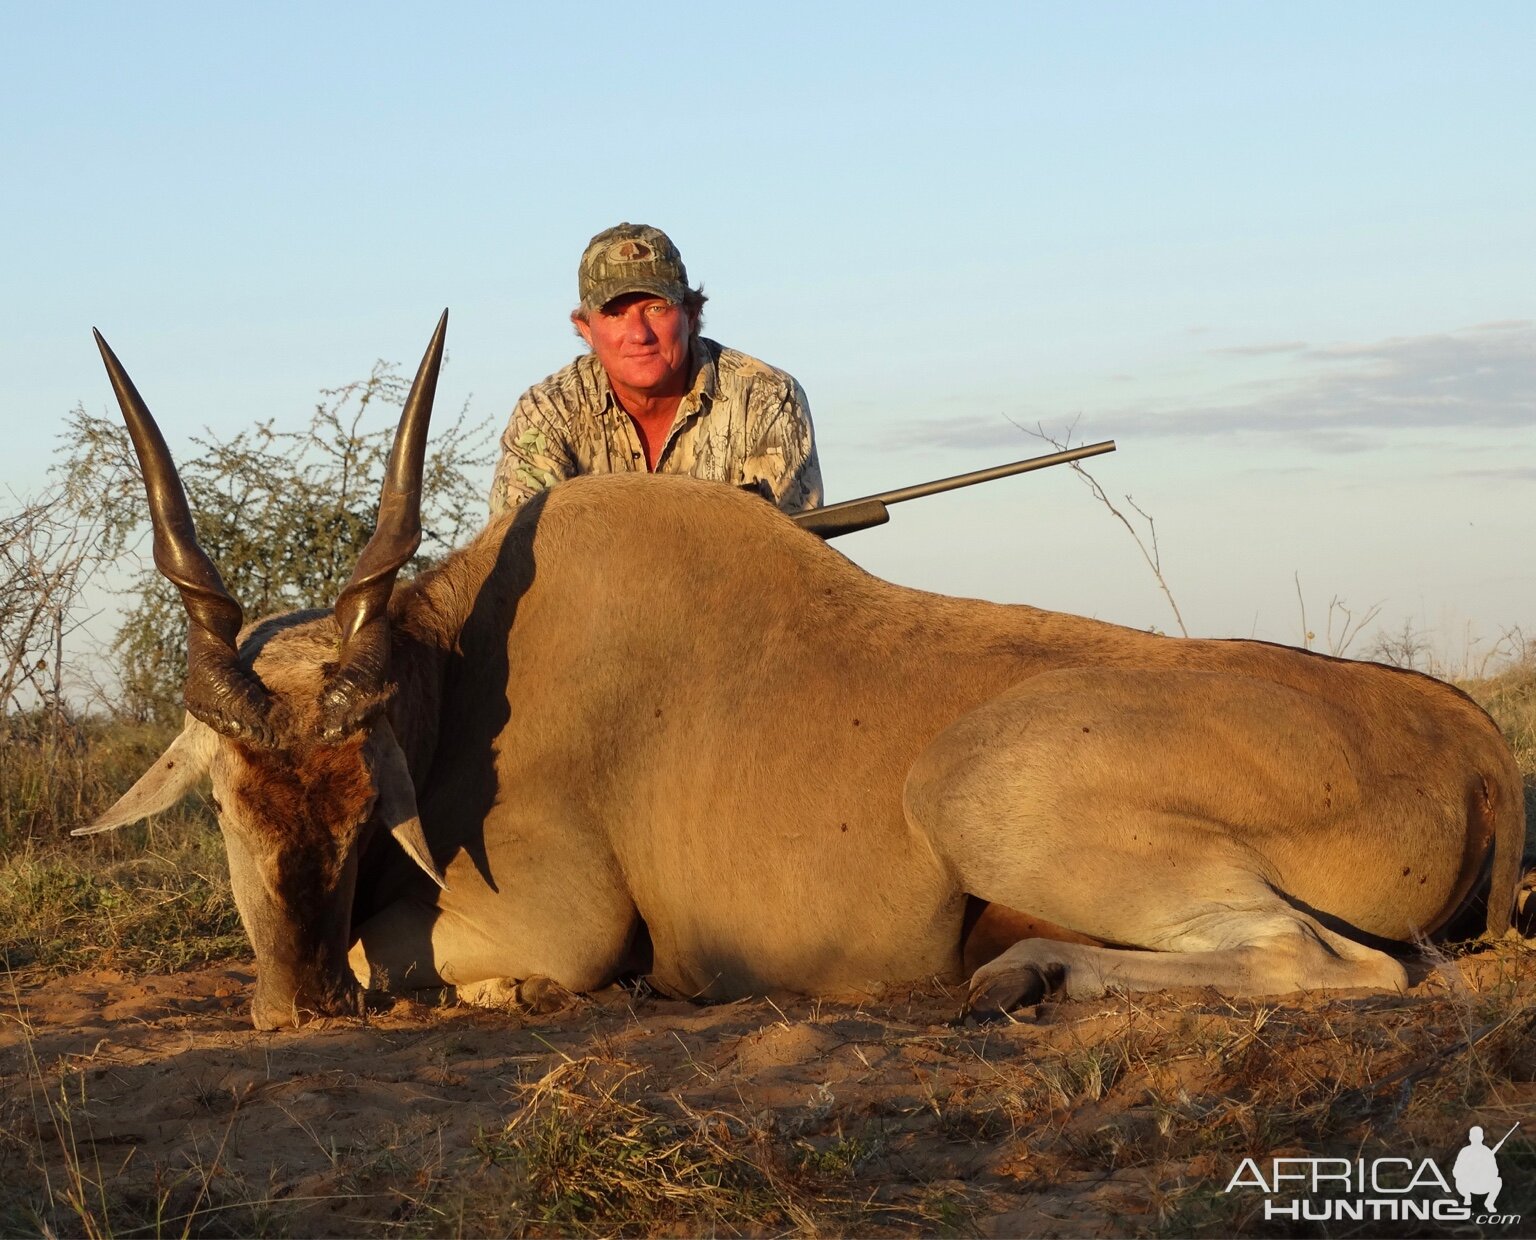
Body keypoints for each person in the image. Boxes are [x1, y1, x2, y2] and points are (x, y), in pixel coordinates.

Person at [489, 223, 822, 518]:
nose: (639, 335)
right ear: (586, 328)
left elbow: (789, 563)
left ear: (691, 314)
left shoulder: (767, 398)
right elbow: (522, 563)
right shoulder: (546, 414)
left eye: (656, 308)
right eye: (615, 314)